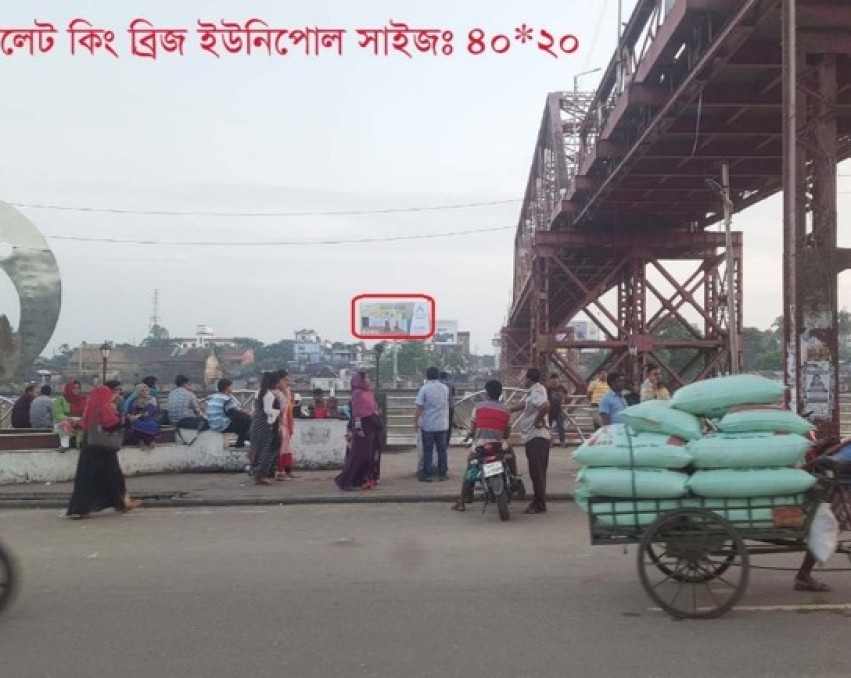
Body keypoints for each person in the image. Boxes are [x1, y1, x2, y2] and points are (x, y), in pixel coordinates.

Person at [66, 385, 141, 519]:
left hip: (89, 447)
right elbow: (111, 424)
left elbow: (83, 424)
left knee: (86, 479)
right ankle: (122, 503)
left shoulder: (90, 406)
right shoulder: (104, 407)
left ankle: (80, 509)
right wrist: (127, 419)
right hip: (104, 448)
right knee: (114, 477)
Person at [451, 379, 513, 512]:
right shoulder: (507, 409)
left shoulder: (478, 407)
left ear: (487, 393)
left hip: (480, 446)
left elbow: (473, 430)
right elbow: (507, 434)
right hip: (498, 445)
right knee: (511, 455)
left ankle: (462, 501)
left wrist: (472, 437)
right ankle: (514, 479)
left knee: (470, 470)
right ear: (500, 394)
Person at [510, 367, 550, 514]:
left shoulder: (537, 391)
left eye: (524, 377)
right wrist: (509, 409)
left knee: (537, 472)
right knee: (536, 472)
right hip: (533, 437)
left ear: (529, 379)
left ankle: (539, 504)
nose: (522, 379)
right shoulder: (534, 391)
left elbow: (545, 405)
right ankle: (538, 501)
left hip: (536, 437)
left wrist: (538, 420)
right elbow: (526, 404)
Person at [335, 367, 382, 491]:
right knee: (360, 455)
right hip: (363, 425)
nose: (367, 380)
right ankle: (347, 480)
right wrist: (358, 428)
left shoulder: (369, 392)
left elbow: (373, 408)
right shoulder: (357, 393)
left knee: (371, 454)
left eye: (367, 377)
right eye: (365, 377)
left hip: (372, 424)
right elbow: (356, 413)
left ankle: (365, 478)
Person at [414, 366, 449, 482]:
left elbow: (419, 407)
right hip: (442, 423)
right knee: (442, 450)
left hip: (428, 424)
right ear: (438, 376)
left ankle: (427, 473)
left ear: (427, 376)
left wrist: (415, 422)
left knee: (428, 450)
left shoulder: (424, 389)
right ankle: (442, 473)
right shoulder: (445, 388)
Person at [206, 378, 251, 448]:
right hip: (221, 425)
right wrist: (248, 415)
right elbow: (235, 413)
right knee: (246, 421)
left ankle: (245, 440)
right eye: (231, 386)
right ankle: (240, 445)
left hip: (212, 424)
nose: (233, 388)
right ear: (227, 387)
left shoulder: (214, 397)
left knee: (241, 423)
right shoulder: (227, 399)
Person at [274, 370, 297, 481]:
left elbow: (289, 409)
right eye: (285, 380)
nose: (287, 382)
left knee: (286, 447)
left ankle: (287, 470)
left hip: (286, 421)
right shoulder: (276, 393)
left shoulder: (286, 391)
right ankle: (280, 471)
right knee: (281, 447)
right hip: (281, 423)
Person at [52, 381, 87, 452]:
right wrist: (70, 418)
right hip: (62, 422)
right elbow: (58, 415)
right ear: (69, 389)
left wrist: (80, 419)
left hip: (79, 422)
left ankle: (81, 444)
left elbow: (86, 412)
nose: (76, 390)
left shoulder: (83, 399)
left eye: (78, 388)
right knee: (65, 424)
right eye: (73, 388)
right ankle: (64, 446)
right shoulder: (60, 400)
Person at [124, 383, 161, 451]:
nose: (144, 392)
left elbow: (150, 412)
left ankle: (146, 441)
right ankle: (142, 441)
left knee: (146, 425)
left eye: (146, 390)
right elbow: (128, 412)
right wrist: (130, 416)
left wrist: (140, 415)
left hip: (150, 419)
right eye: (142, 391)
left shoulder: (151, 400)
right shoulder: (134, 401)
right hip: (137, 419)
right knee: (134, 424)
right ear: (138, 392)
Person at [546, 373, 569, 447]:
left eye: (556, 379)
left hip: (558, 410)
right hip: (549, 410)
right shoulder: (548, 388)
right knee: (548, 427)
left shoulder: (561, 387)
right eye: (553, 379)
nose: (555, 380)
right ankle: (549, 442)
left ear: (558, 379)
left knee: (561, 427)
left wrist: (565, 399)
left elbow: (566, 394)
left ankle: (562, 442)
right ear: (550, 380)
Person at [439, 371, 457, 448]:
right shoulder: (450, 383)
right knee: (449, 425)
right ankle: (446, 442)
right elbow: (454, 393)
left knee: (440, 424)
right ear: (446, 376)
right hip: (450, 406)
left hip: (441, 408)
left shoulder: (439, 384)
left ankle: (440, 441)